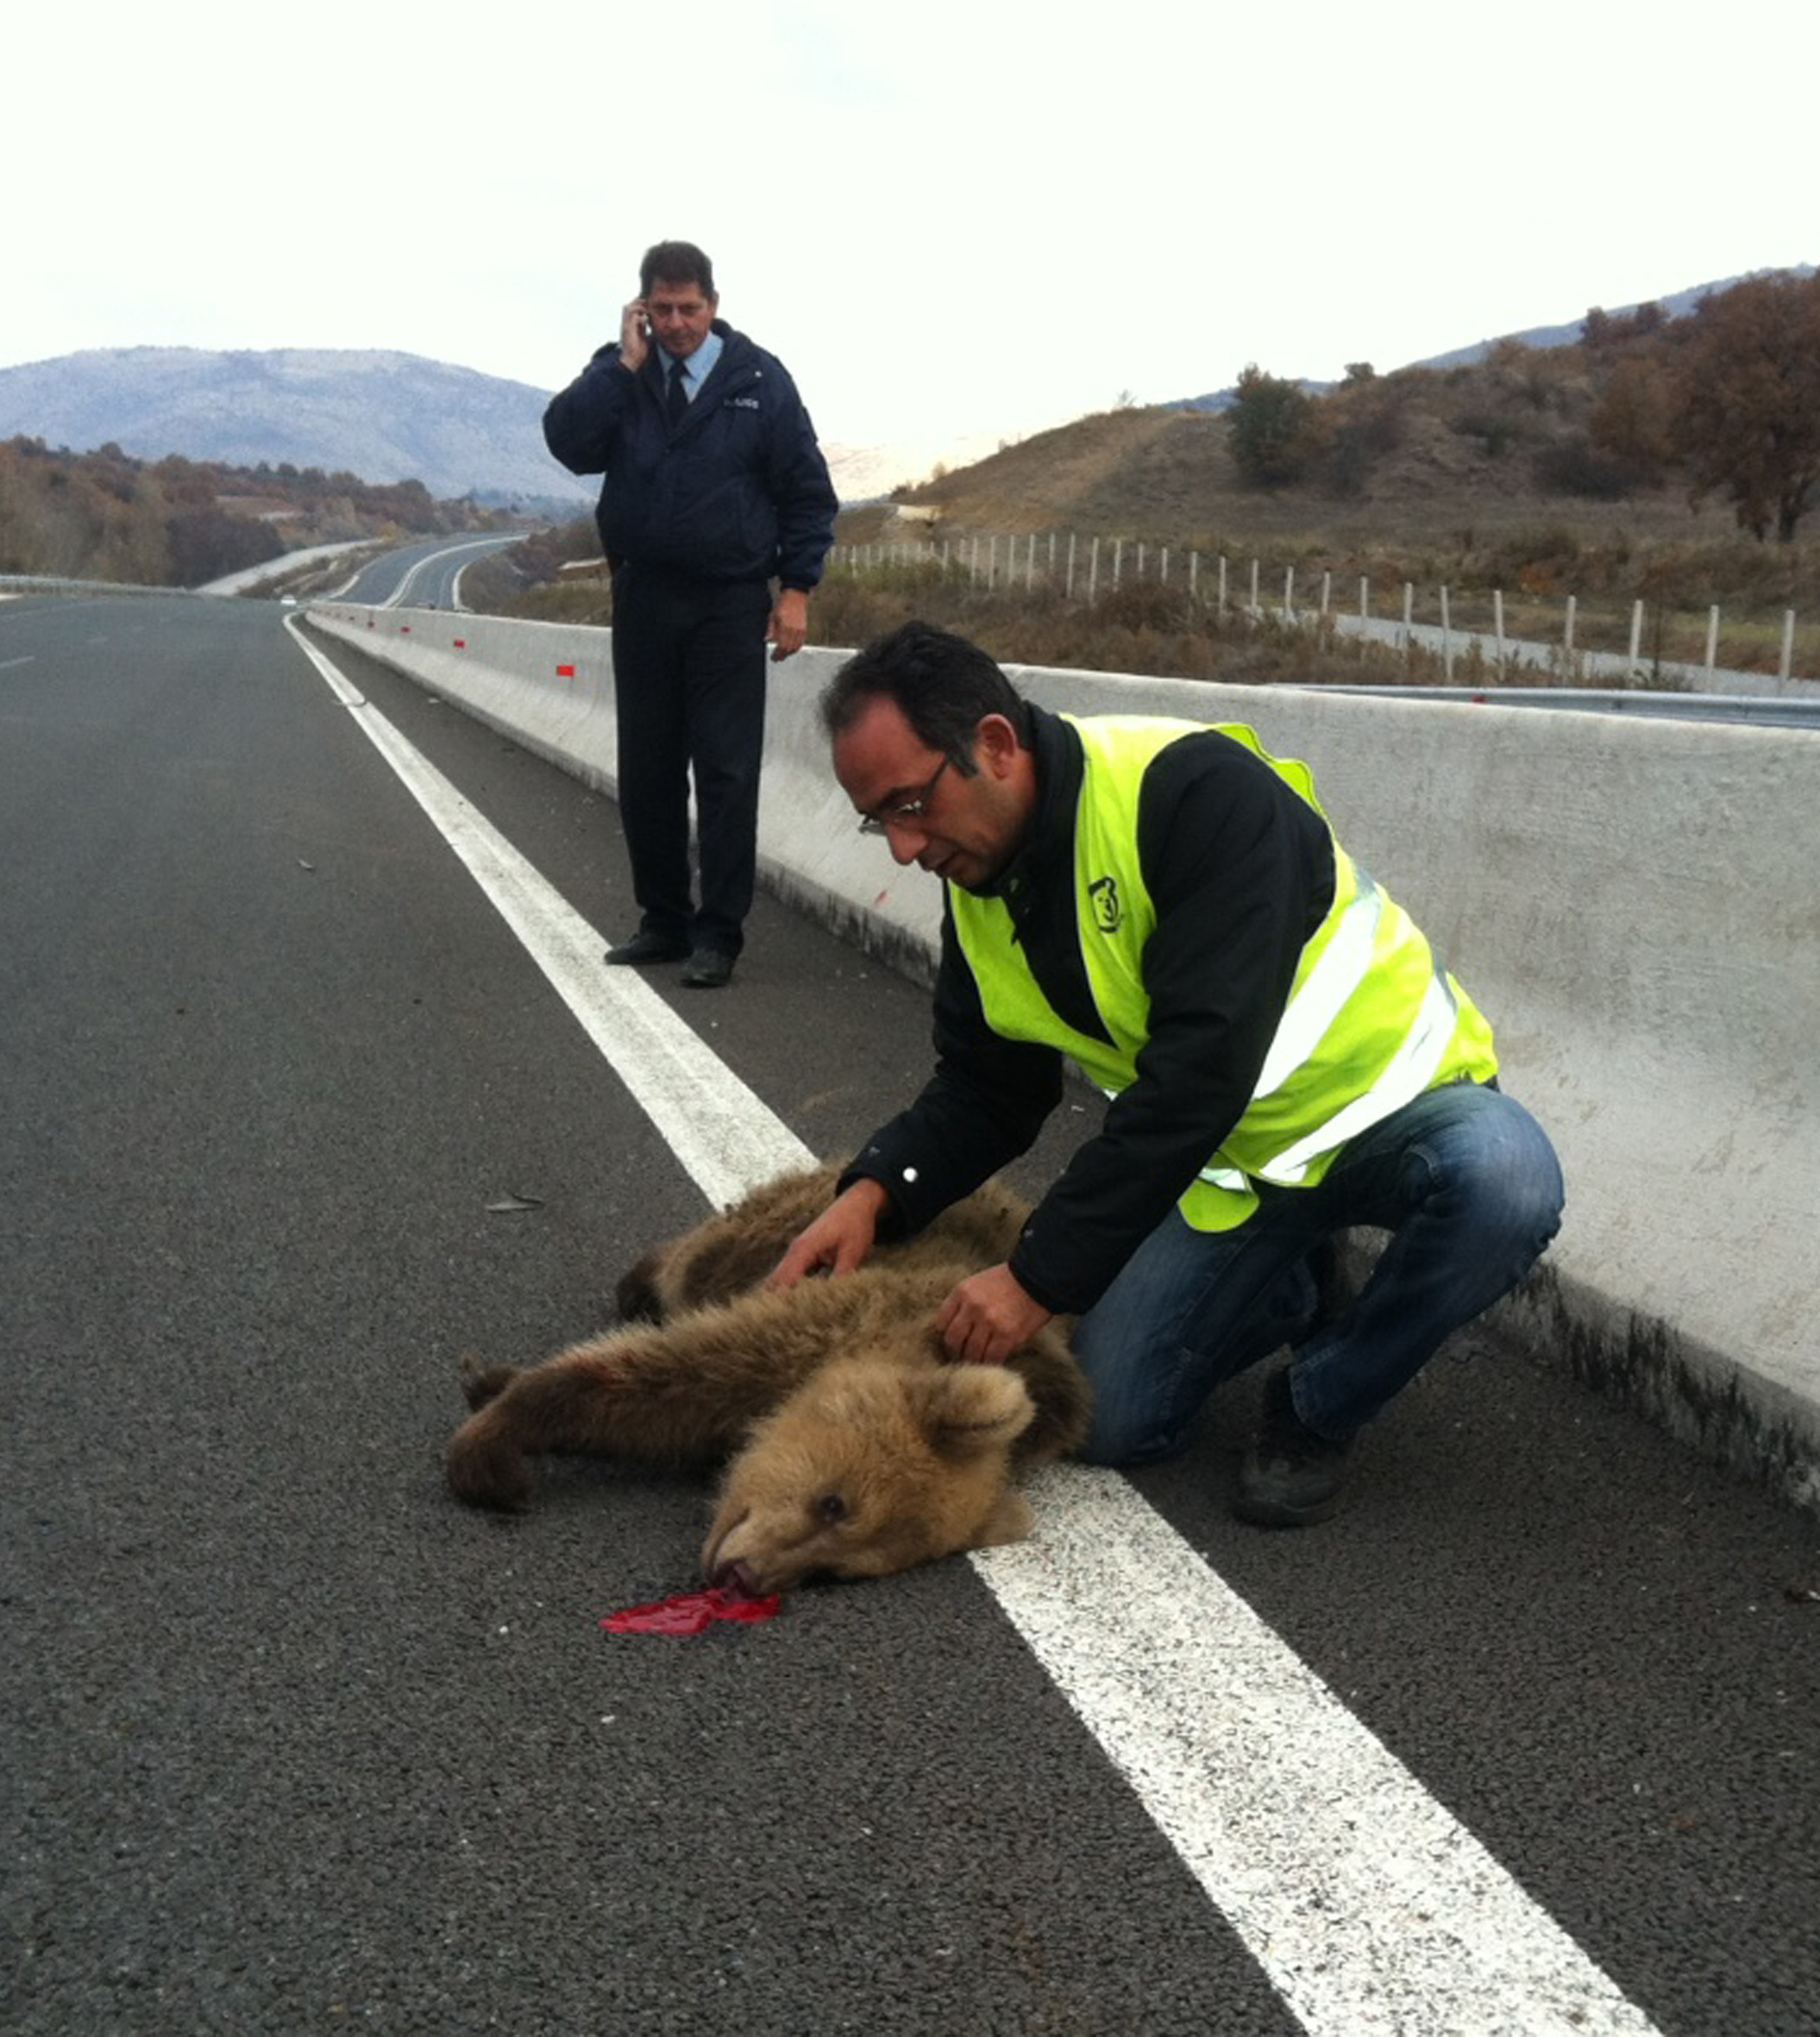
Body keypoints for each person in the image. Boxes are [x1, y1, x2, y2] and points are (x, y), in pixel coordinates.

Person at [766, 621, 1566, 1526]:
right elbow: (991, 1088)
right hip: (1239, 1169)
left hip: (1398, 1113)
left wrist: (1036, 1277)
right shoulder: (984, 888)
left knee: (1509, 1182)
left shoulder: (1189, 792)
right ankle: (1294, 1280)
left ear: (993, 744)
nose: (902, 850)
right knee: (1112, 1418)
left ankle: (1318, 1407)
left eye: (910, 805)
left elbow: (1199, 1071)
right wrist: (876, 1190)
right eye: (879, 821)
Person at [541, 240, 836, 991]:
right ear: (642, 307)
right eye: (661, 310)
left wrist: (795, 589)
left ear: (713, 303)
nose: (676, 324)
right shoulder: (622, 371)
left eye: (689, 309)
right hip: (643, 597)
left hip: (729, 601)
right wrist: (624, 365)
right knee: (648, 768)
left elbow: (805, 492)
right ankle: (662, 921)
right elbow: (570, 444)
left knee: (727, 771)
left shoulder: (760, 381)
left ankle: (719, 935)